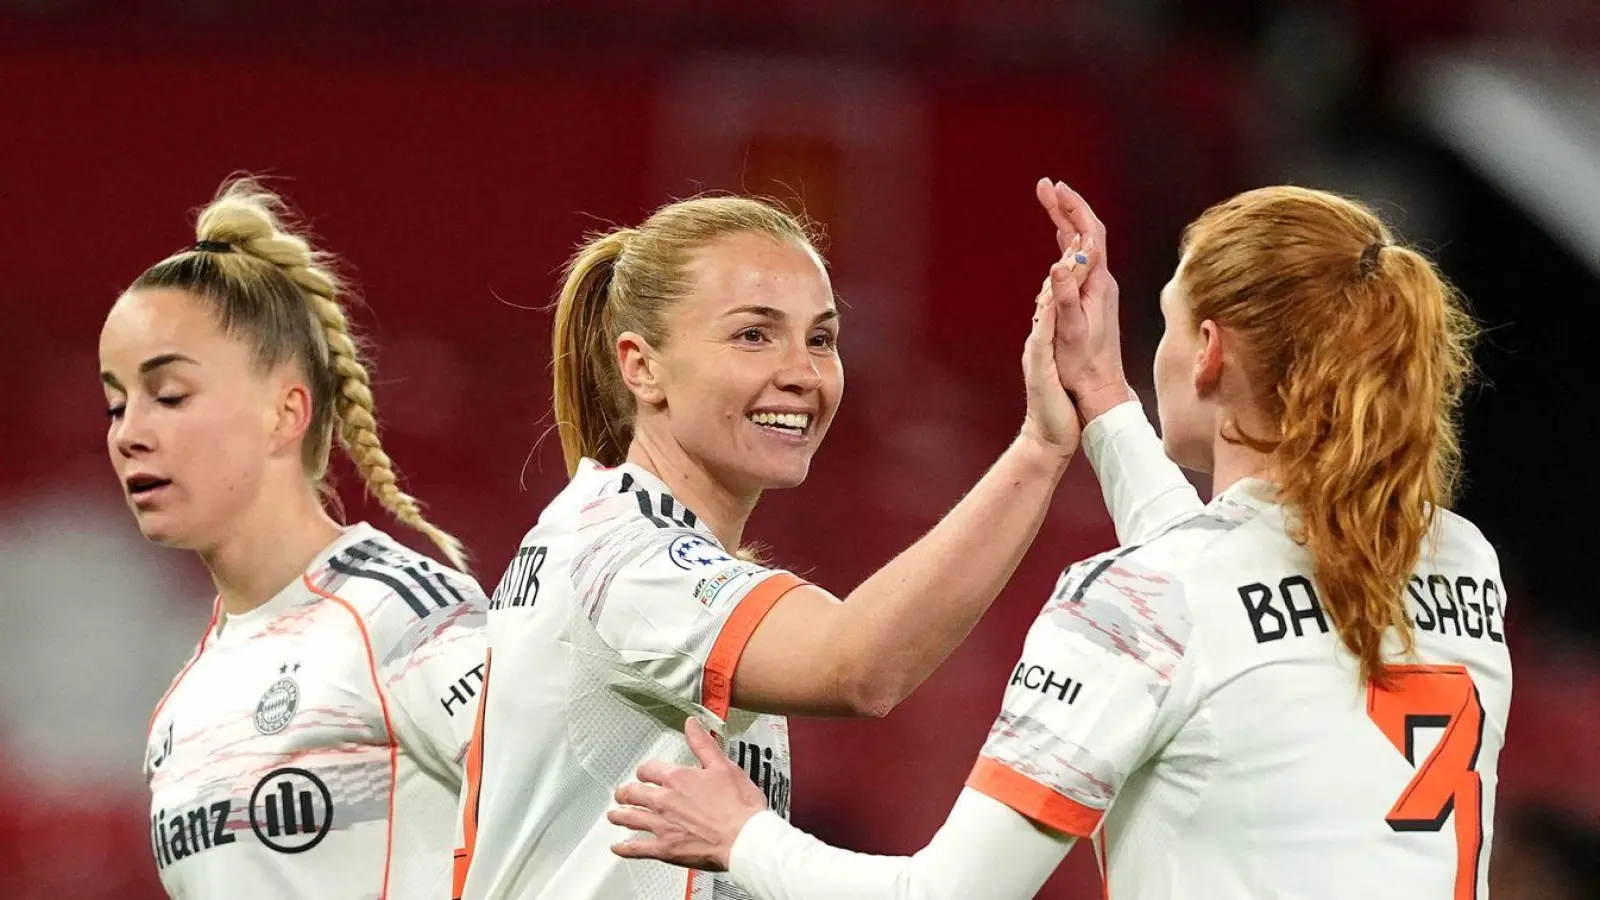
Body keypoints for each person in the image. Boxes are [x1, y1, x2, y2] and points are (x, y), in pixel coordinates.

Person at [609, 183, 1509, 900]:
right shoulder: (1466, 562)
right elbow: (1224, 596)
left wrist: (742, 835)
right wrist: (1105, 400)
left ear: (1206, 352)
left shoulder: (1144, 599)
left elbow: (944, 893)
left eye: (1161, 320)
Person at [450, 187, 1171, 900]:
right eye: (753, 335)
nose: (802, 374)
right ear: (642, 366)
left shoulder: (602, 529)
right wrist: (1040, 447)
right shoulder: (624, 555)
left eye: (820, 338)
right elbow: (859, 667)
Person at [103, 177, 490, 899]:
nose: (128, 435)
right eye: (115, 405)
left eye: (170, 396)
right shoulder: (179, 710)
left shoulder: (400, 616)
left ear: (285, 414)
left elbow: (583, 825)